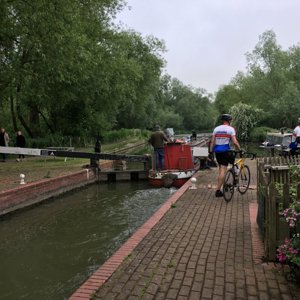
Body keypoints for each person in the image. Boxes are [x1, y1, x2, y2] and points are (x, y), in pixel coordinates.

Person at [210, 114, 241, 197]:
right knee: (223, 170)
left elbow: (212, 141)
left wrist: (210, 151)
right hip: (225, 151)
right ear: (229, 121)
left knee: (221, 170)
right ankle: (218, 191)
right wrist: (240, 149)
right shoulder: (231, 129)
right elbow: (234, 142)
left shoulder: (216, 129)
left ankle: (224, 186)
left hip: (217, 151)